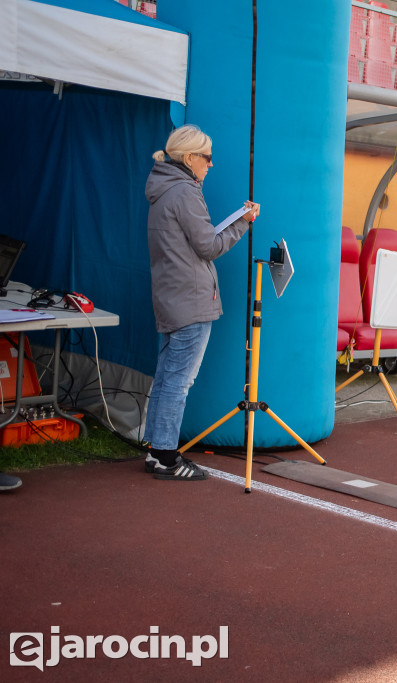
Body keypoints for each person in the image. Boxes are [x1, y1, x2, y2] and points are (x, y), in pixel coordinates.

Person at [143, 124, 259, 481]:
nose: (211, 164)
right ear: (190, 158)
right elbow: (209, 246)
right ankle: (164, 455)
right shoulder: (185, 193)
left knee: (167, 377)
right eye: (207, 157)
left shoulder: (163, 189)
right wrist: (244, 223)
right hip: (190, 300)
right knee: (179, 381)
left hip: (172, 296)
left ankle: (156, 448)